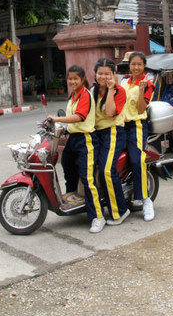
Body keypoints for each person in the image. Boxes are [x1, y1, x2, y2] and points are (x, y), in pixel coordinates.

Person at [47, 65, 105, 233]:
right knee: (67, 165)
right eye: (70, 78)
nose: (72, 81)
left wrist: (57, 119)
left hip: (85, 139)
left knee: (88, 178)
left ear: (82, 80)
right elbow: (72, 119)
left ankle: (97, 216)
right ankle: (74, 198)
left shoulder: (85, 95)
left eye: (75, 78)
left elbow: (79, 116)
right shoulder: (73, 96)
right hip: (73, 139)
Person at [92, 58, 130, 226]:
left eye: (108, 74)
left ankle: (120, 211)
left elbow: (109, 113)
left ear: (114, 75)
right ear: (95, 74)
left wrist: (110, 89)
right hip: (97, 134)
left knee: (107, 170)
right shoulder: (93, 91)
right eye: (100, 73)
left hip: (113, 132)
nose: (104, 76)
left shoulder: (118, 91)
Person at [120, 51, 156, 221]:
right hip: (121, 126)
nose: (136, 67)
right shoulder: (124, 83)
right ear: (129, 65)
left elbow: (141, 109)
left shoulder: (148, 84)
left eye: (139, 64)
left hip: (137, 126)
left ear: (144, 66)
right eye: (133, 64)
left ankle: (146, 200)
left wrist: (141, 91)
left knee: (136, 160)